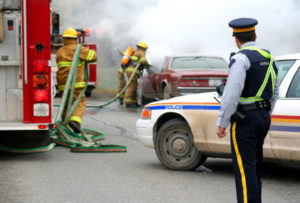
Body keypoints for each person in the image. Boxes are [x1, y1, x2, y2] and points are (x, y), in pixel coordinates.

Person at [216, 18, 279, 203]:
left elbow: (231, 94)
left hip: (245, 120)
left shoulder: (240, 59)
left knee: (245, 171)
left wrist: (222, 122)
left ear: (236, 39)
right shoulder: (269, 57)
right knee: (254, 167)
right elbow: (275, 90)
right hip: (263, 117)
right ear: (255, 35)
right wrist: (266, 112)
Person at [56, 27, 97, 133]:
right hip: (76, 84)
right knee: (80, 103)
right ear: (75, 38)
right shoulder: (79, 49)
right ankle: (75, 121)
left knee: (66, 105)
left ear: (64, 38)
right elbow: (94, 57)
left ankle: (66, 127)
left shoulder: (60, 51)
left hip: (62, 85)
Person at [124, 42, 149, 108]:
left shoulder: (136, 52)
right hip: (133, 70)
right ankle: (128, 103)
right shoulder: (141, 52)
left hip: (130, 70)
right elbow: (144, 61)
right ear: (142, 48)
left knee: (134, 86)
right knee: (132, 86)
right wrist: (148, 66)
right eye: (145, 49)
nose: (145, 50)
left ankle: (133, 102)